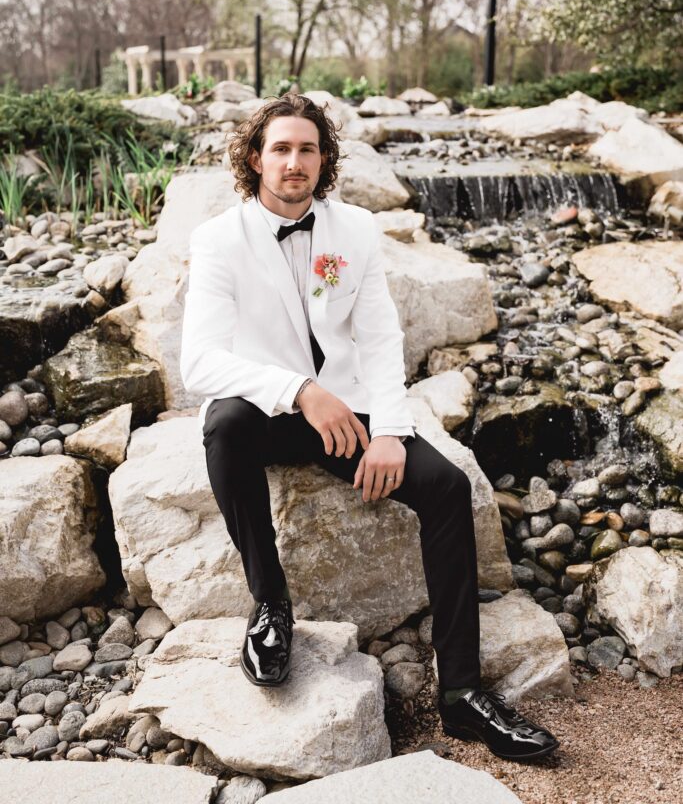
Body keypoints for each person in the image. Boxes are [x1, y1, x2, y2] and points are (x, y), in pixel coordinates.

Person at [180, 93, 558, 762]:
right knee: (224, 425)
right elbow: (200, 363)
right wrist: (299, 390)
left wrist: (387, 429)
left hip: (353, 413)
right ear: (253, 158)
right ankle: (271, 607)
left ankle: (462, 695)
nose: (293, 162)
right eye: (280, 148)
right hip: (270, 411)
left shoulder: (353, 230)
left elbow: (381, 337)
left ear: (324, 160)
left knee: (444, 487)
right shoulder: (217, 240)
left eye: (306, 149)